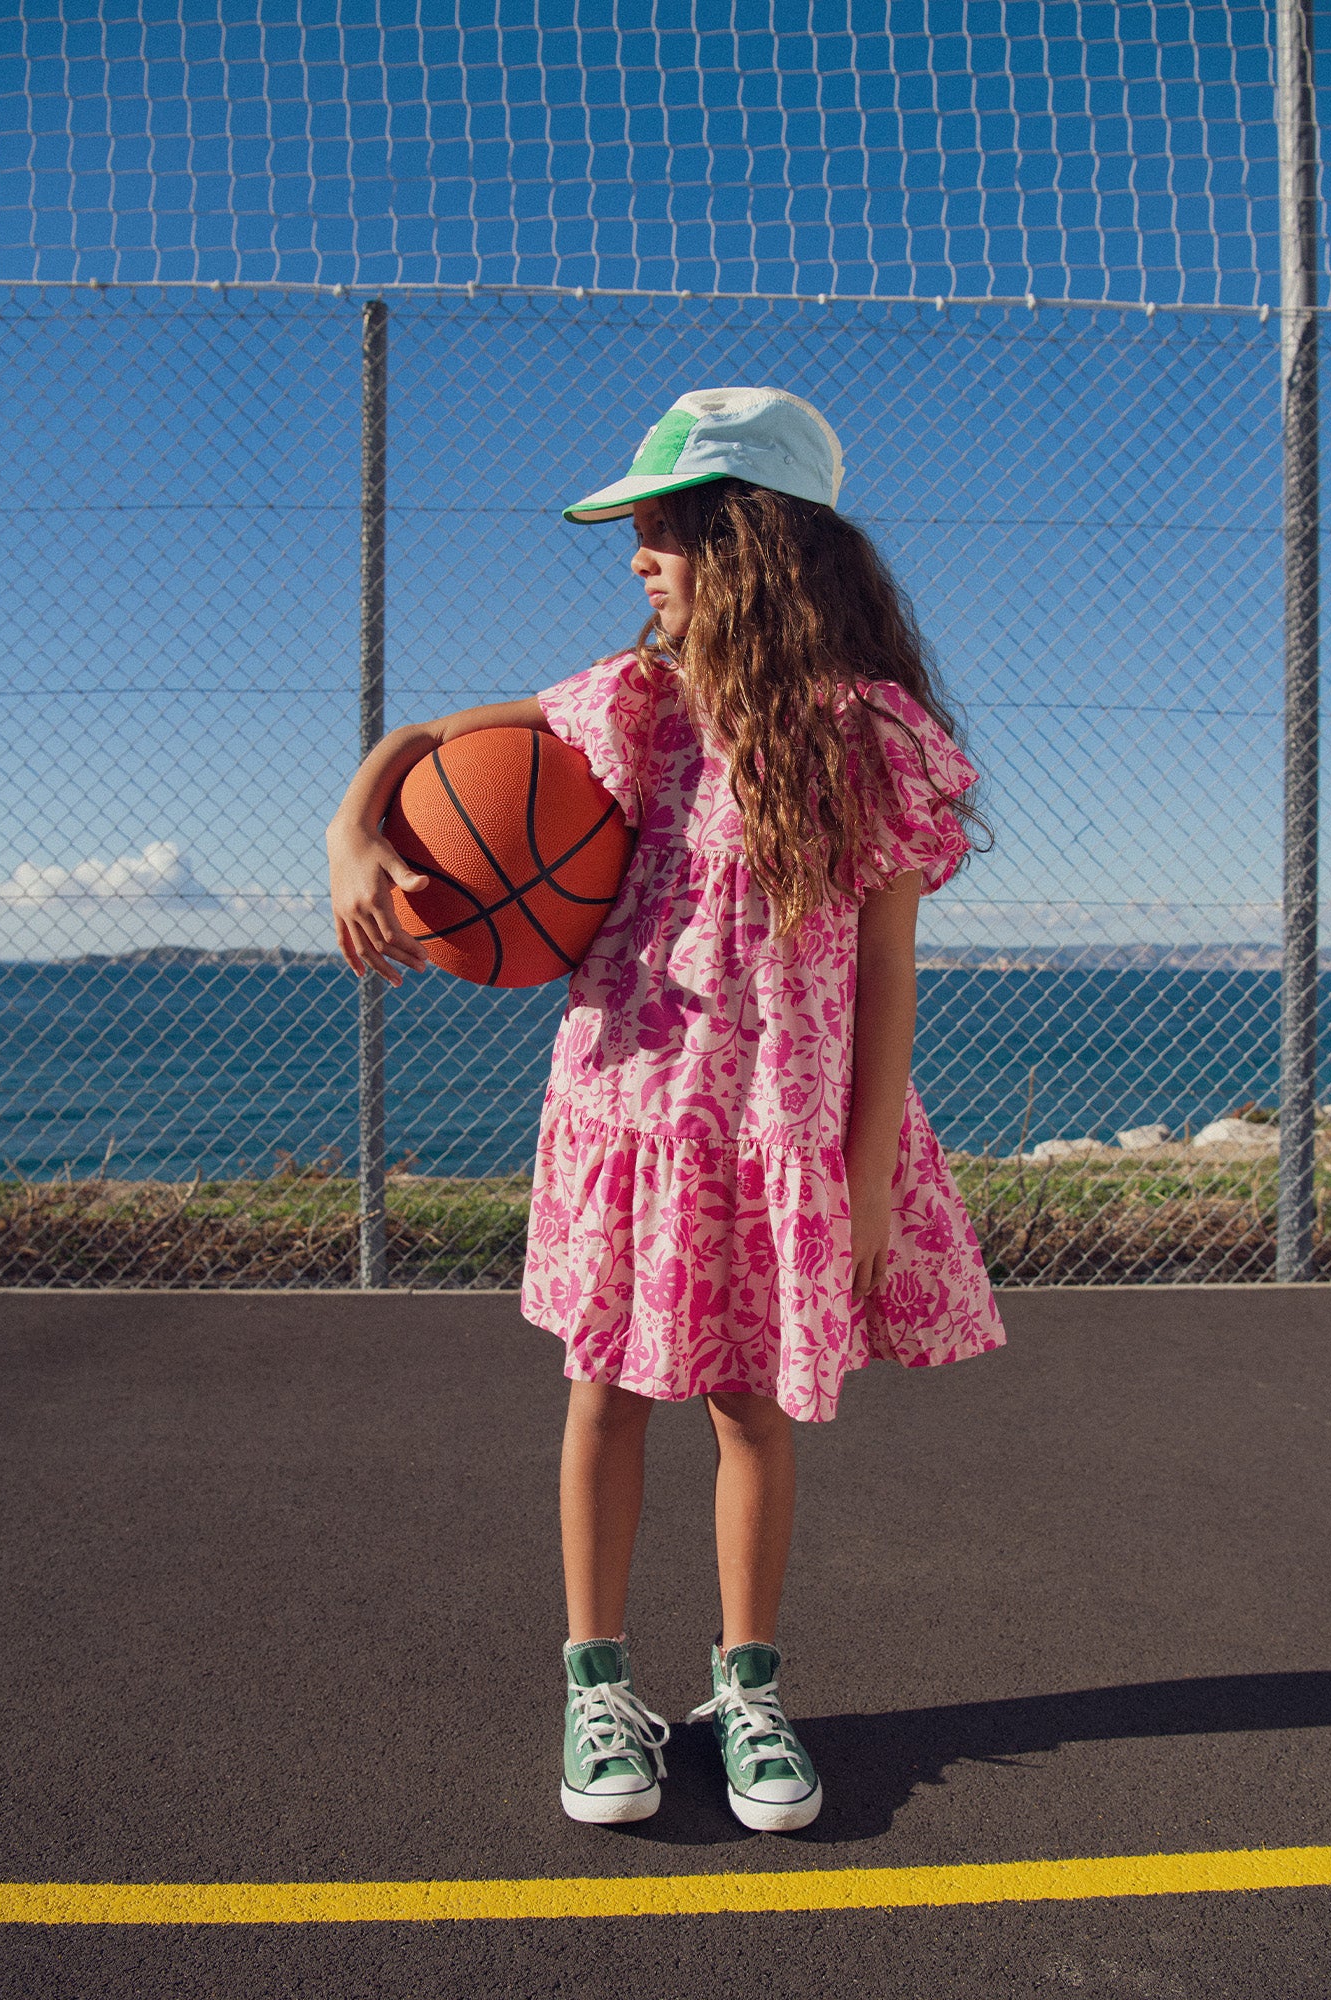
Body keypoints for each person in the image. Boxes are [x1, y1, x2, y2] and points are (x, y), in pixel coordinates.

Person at [326, 386, 1005, 1836]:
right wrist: (352, 836)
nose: (636, 558)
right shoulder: (633, 705)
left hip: (780, 1131)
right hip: (629, 1115)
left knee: (752, 1408)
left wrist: (866, 1178)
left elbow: (886, 979)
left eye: (662, 532)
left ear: (750, 543)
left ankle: (746, 1689)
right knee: (606, 1396)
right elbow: (434, 736)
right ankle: (596, 1683)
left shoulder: (873, 738)